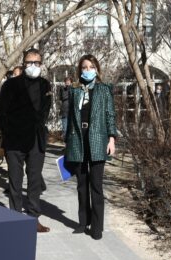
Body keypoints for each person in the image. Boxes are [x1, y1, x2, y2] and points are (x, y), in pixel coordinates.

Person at [0, 49, 52, 233]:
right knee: (15, 181)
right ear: (23, 63)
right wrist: (9, 132)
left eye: (37, 62)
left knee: (35, 181)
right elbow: (0, 112)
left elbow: (45, 110)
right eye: (29, 62)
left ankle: (33, 218)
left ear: (41, 64)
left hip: (36, 140)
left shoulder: (45, 85)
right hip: (15, 141)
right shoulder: (10, 85)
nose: (33, 66)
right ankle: (15, 218)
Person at [64, 54, 117, 240]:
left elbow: (110, 115)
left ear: (97, 69)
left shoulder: (104, 89)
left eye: (91, 67)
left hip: (98, 139)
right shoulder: (75, 90)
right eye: (84, 67)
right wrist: (67, 142)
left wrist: (112, 139)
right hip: (78, 139)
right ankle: (82, 222)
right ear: (80, 70)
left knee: (96, 185)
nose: (88, 70)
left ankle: (97, 226)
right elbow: (70, 118)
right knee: (81, 184)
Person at [60, 76, 73, 140]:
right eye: (66, 81)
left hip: (71, 109)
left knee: (71, 127)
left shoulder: (73, 89)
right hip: (64, 109)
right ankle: (65, 140)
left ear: (71, 82)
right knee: (64, 127)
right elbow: (61, 98)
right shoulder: (62, 89)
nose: (67, 82)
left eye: (68, 81)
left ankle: (70, 140)